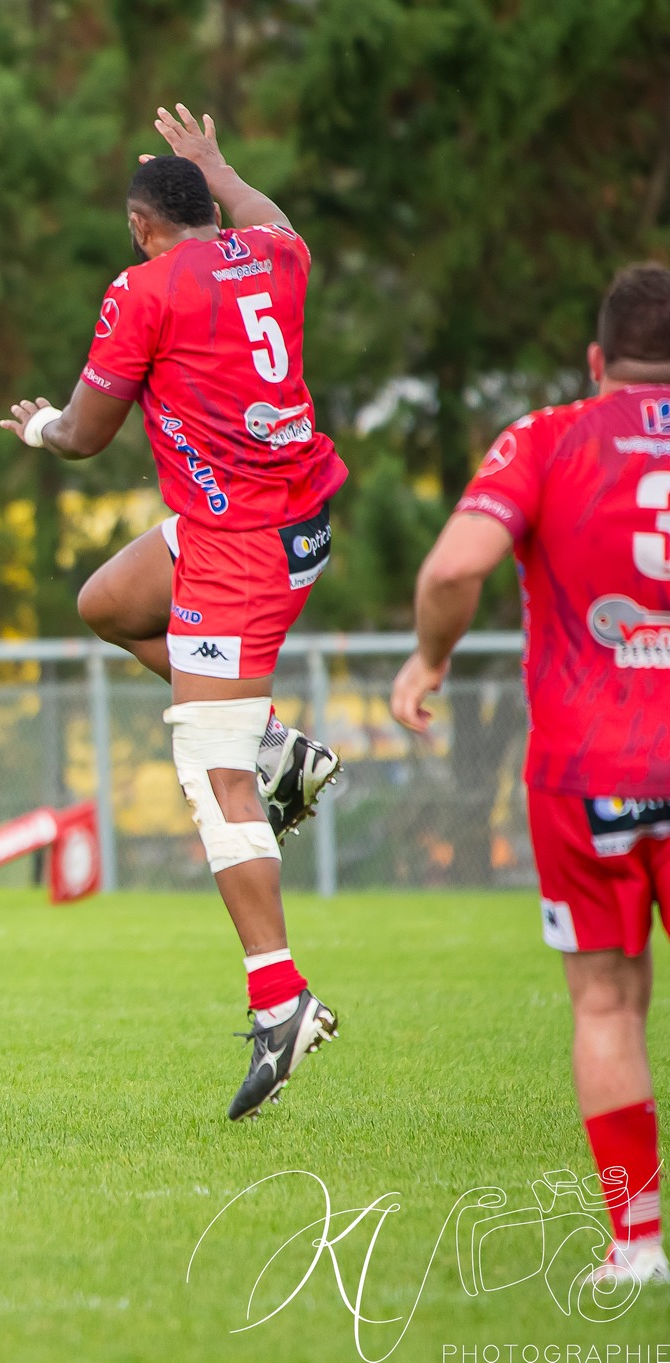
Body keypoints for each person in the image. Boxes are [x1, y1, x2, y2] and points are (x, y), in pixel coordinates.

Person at [0, 105, 346, 1120]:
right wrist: (221, 165)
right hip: (283, 518)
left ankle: (280, 1000)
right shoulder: (268, 256)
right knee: (105, 601)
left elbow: (85, 435)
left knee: (209, 775)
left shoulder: (141, 288)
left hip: (238, 546)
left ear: (139, 223)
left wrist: (38, 432)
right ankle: (281, 744)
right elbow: (276, 218)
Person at [390, 264, 670, 1286]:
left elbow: (451, 569)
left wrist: (428, 659)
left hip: (587, 766)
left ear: (597, 362)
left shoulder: (548, 437)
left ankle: (634, 1246)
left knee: (604, 1005)